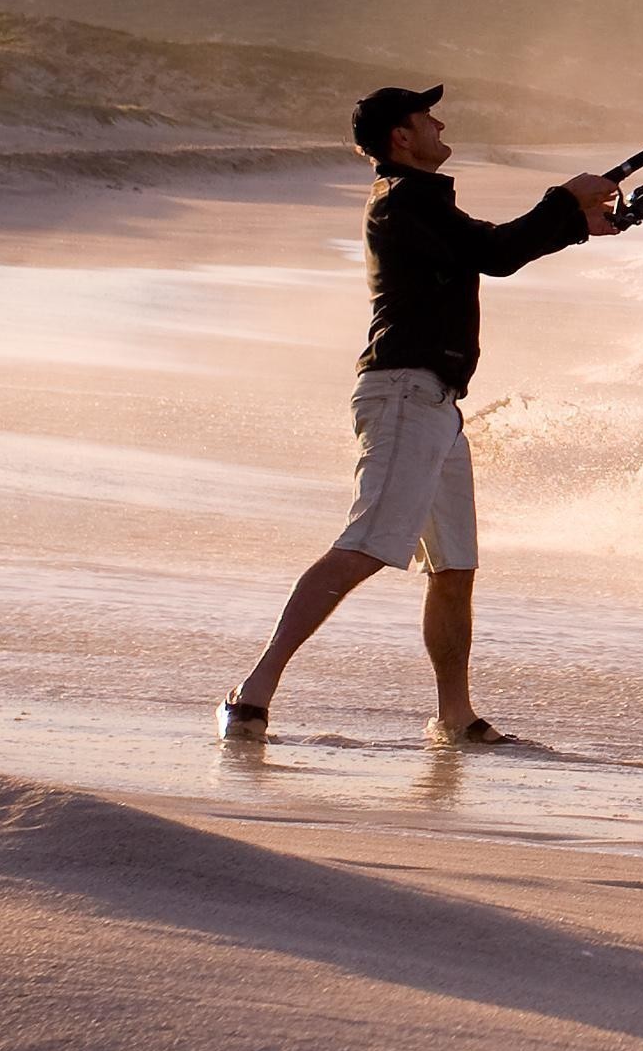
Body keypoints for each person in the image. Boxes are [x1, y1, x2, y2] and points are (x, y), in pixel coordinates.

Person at [228, 84, 615, 745]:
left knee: (454, 567)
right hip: (405, 394)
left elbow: (489, 248)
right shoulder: (401, 200)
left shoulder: (420, 202)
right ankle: (252, 691)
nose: (439, 121)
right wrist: (563, 201)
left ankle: (454, 716)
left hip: (435, 403)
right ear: (401, 137)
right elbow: (493, 254)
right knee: (366, 547)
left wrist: (576, 224)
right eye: (425, 115)